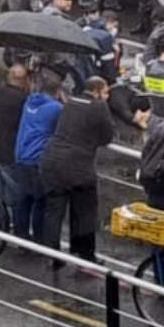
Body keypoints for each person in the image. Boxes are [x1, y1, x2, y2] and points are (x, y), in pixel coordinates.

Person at [40, 77, 115, 268]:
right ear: (97, 91)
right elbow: (107, 136)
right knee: (85, 211)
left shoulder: (70, 101)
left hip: (52, 160)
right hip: (78, 166)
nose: (107, 96)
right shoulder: (99, 107)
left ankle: (53, 256)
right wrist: (91, 142)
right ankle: (84, 253)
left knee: (54, 211)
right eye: (106, 92)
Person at [13, 70, 65, 243]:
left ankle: (20, 235)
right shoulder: (56, 108)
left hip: (21, 155)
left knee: (24, 198)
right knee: (40, 200)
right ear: (58, 92)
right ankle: (38, 238)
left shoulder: (30, 101)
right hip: (37, 159)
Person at [0, 63, 30, 233]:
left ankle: (2, 227)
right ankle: (20, 233)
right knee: (18, 196)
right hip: (11, 154)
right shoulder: (24, 100)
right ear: (24, 80)